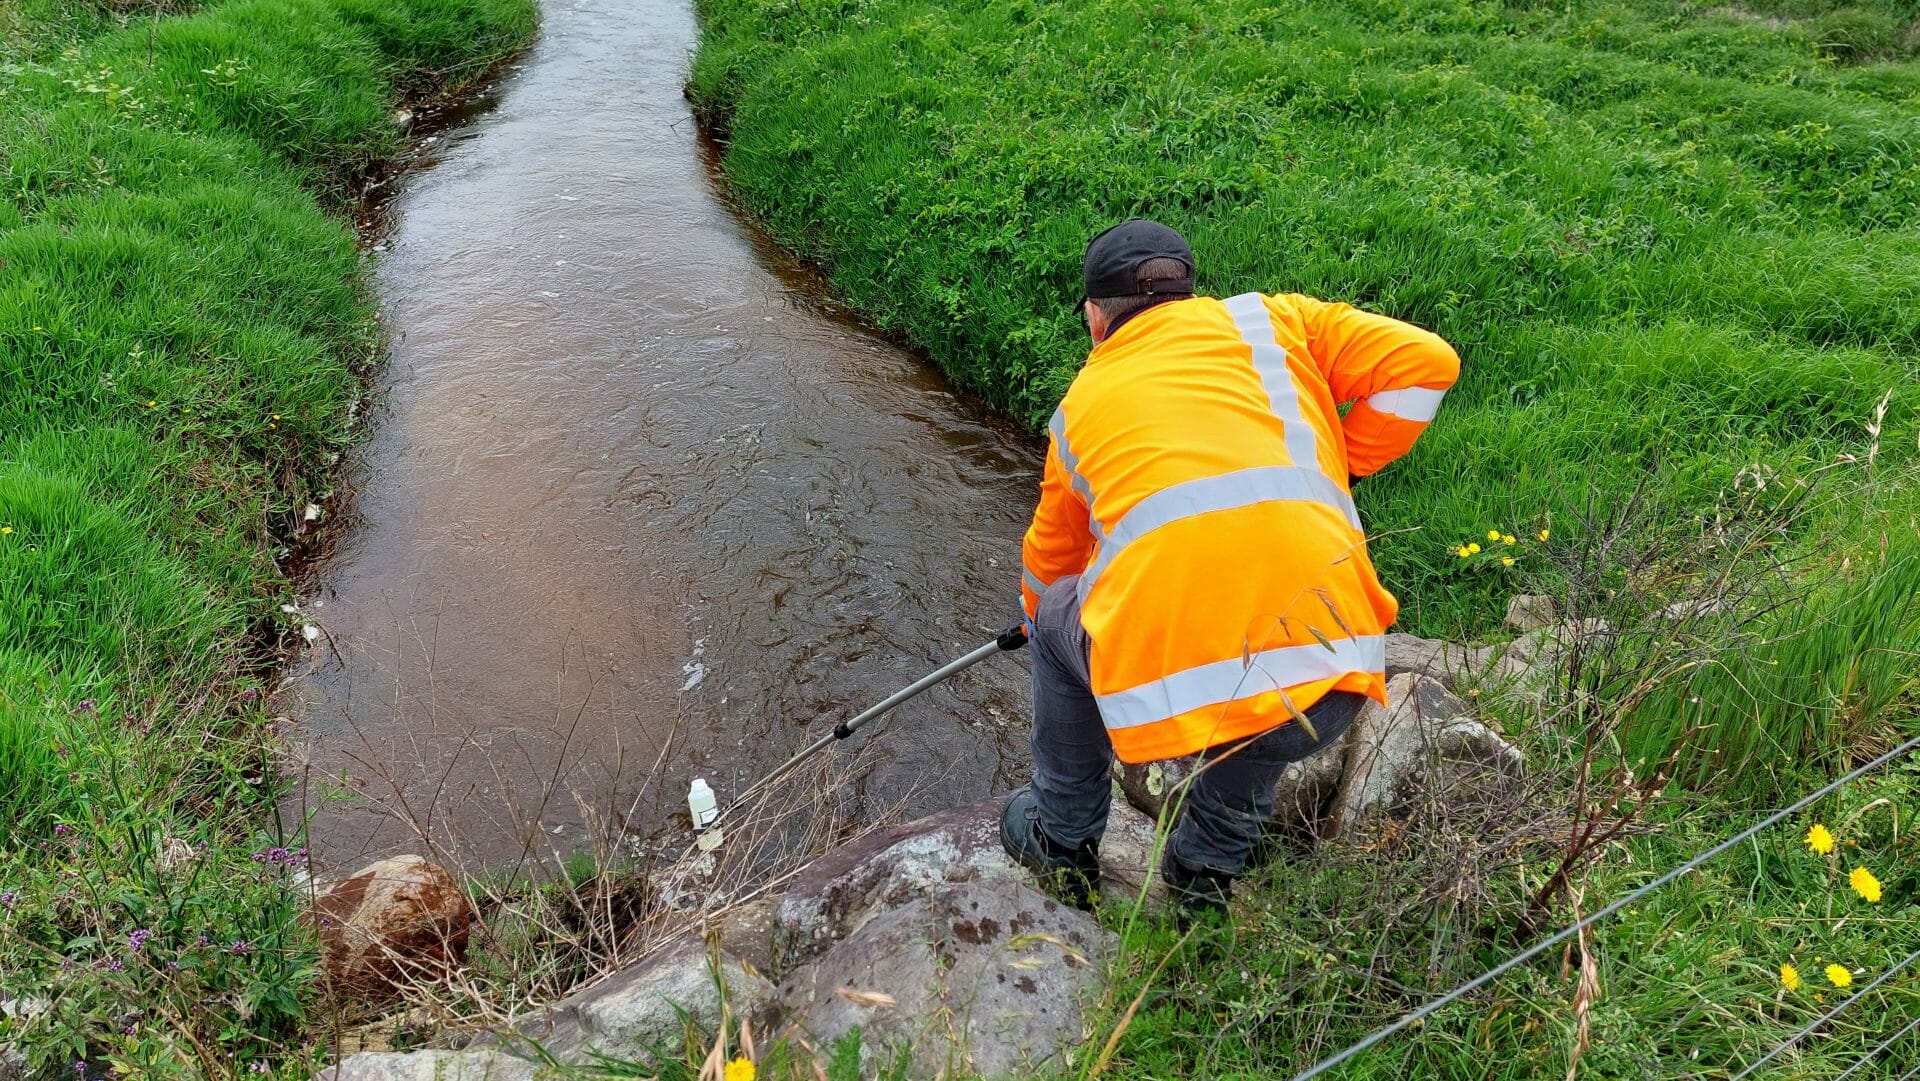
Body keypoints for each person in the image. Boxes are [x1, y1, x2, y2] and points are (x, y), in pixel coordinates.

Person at [1000, 218, 1460, 922]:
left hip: (1178, 695)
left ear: (1096, 318)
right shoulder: (1277, 320)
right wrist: (1344, 459)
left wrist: (1036, 619)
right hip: (1332, 681)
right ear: (1187, 291)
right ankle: (1205, 866)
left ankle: (1062, 838)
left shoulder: (1080, 407)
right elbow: (1428, 363)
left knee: (1060, 617)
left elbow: (1052, 562)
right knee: (1270, 676)